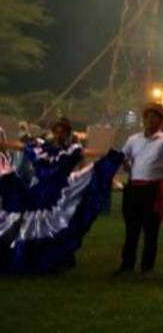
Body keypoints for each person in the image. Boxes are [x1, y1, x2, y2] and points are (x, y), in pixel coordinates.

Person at [0, 117, 124, 273]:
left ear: (67, 133)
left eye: (63, 131)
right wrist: (3, 144)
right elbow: (20, 146)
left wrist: (112, 154)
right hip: (38, 192)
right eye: (57, 130)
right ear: (53, 131)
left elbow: (89, 152)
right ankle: (32, 258)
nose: (59, 134)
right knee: (32, 225)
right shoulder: (40, 148)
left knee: (57, 226)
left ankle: (57, 259)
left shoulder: (71, 151)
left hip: (59, 194)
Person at [117, 102, 163, 275]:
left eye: (155, 116)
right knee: (131, 229)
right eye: (148, 116)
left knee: (151, 230)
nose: (151, 120)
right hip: (133, 188)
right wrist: (125, 163)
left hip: (153, 189)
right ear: (143, 119)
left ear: (161, 120)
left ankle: (147, 266)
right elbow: (123, 156)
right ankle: (127, 264)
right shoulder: (133, 139)